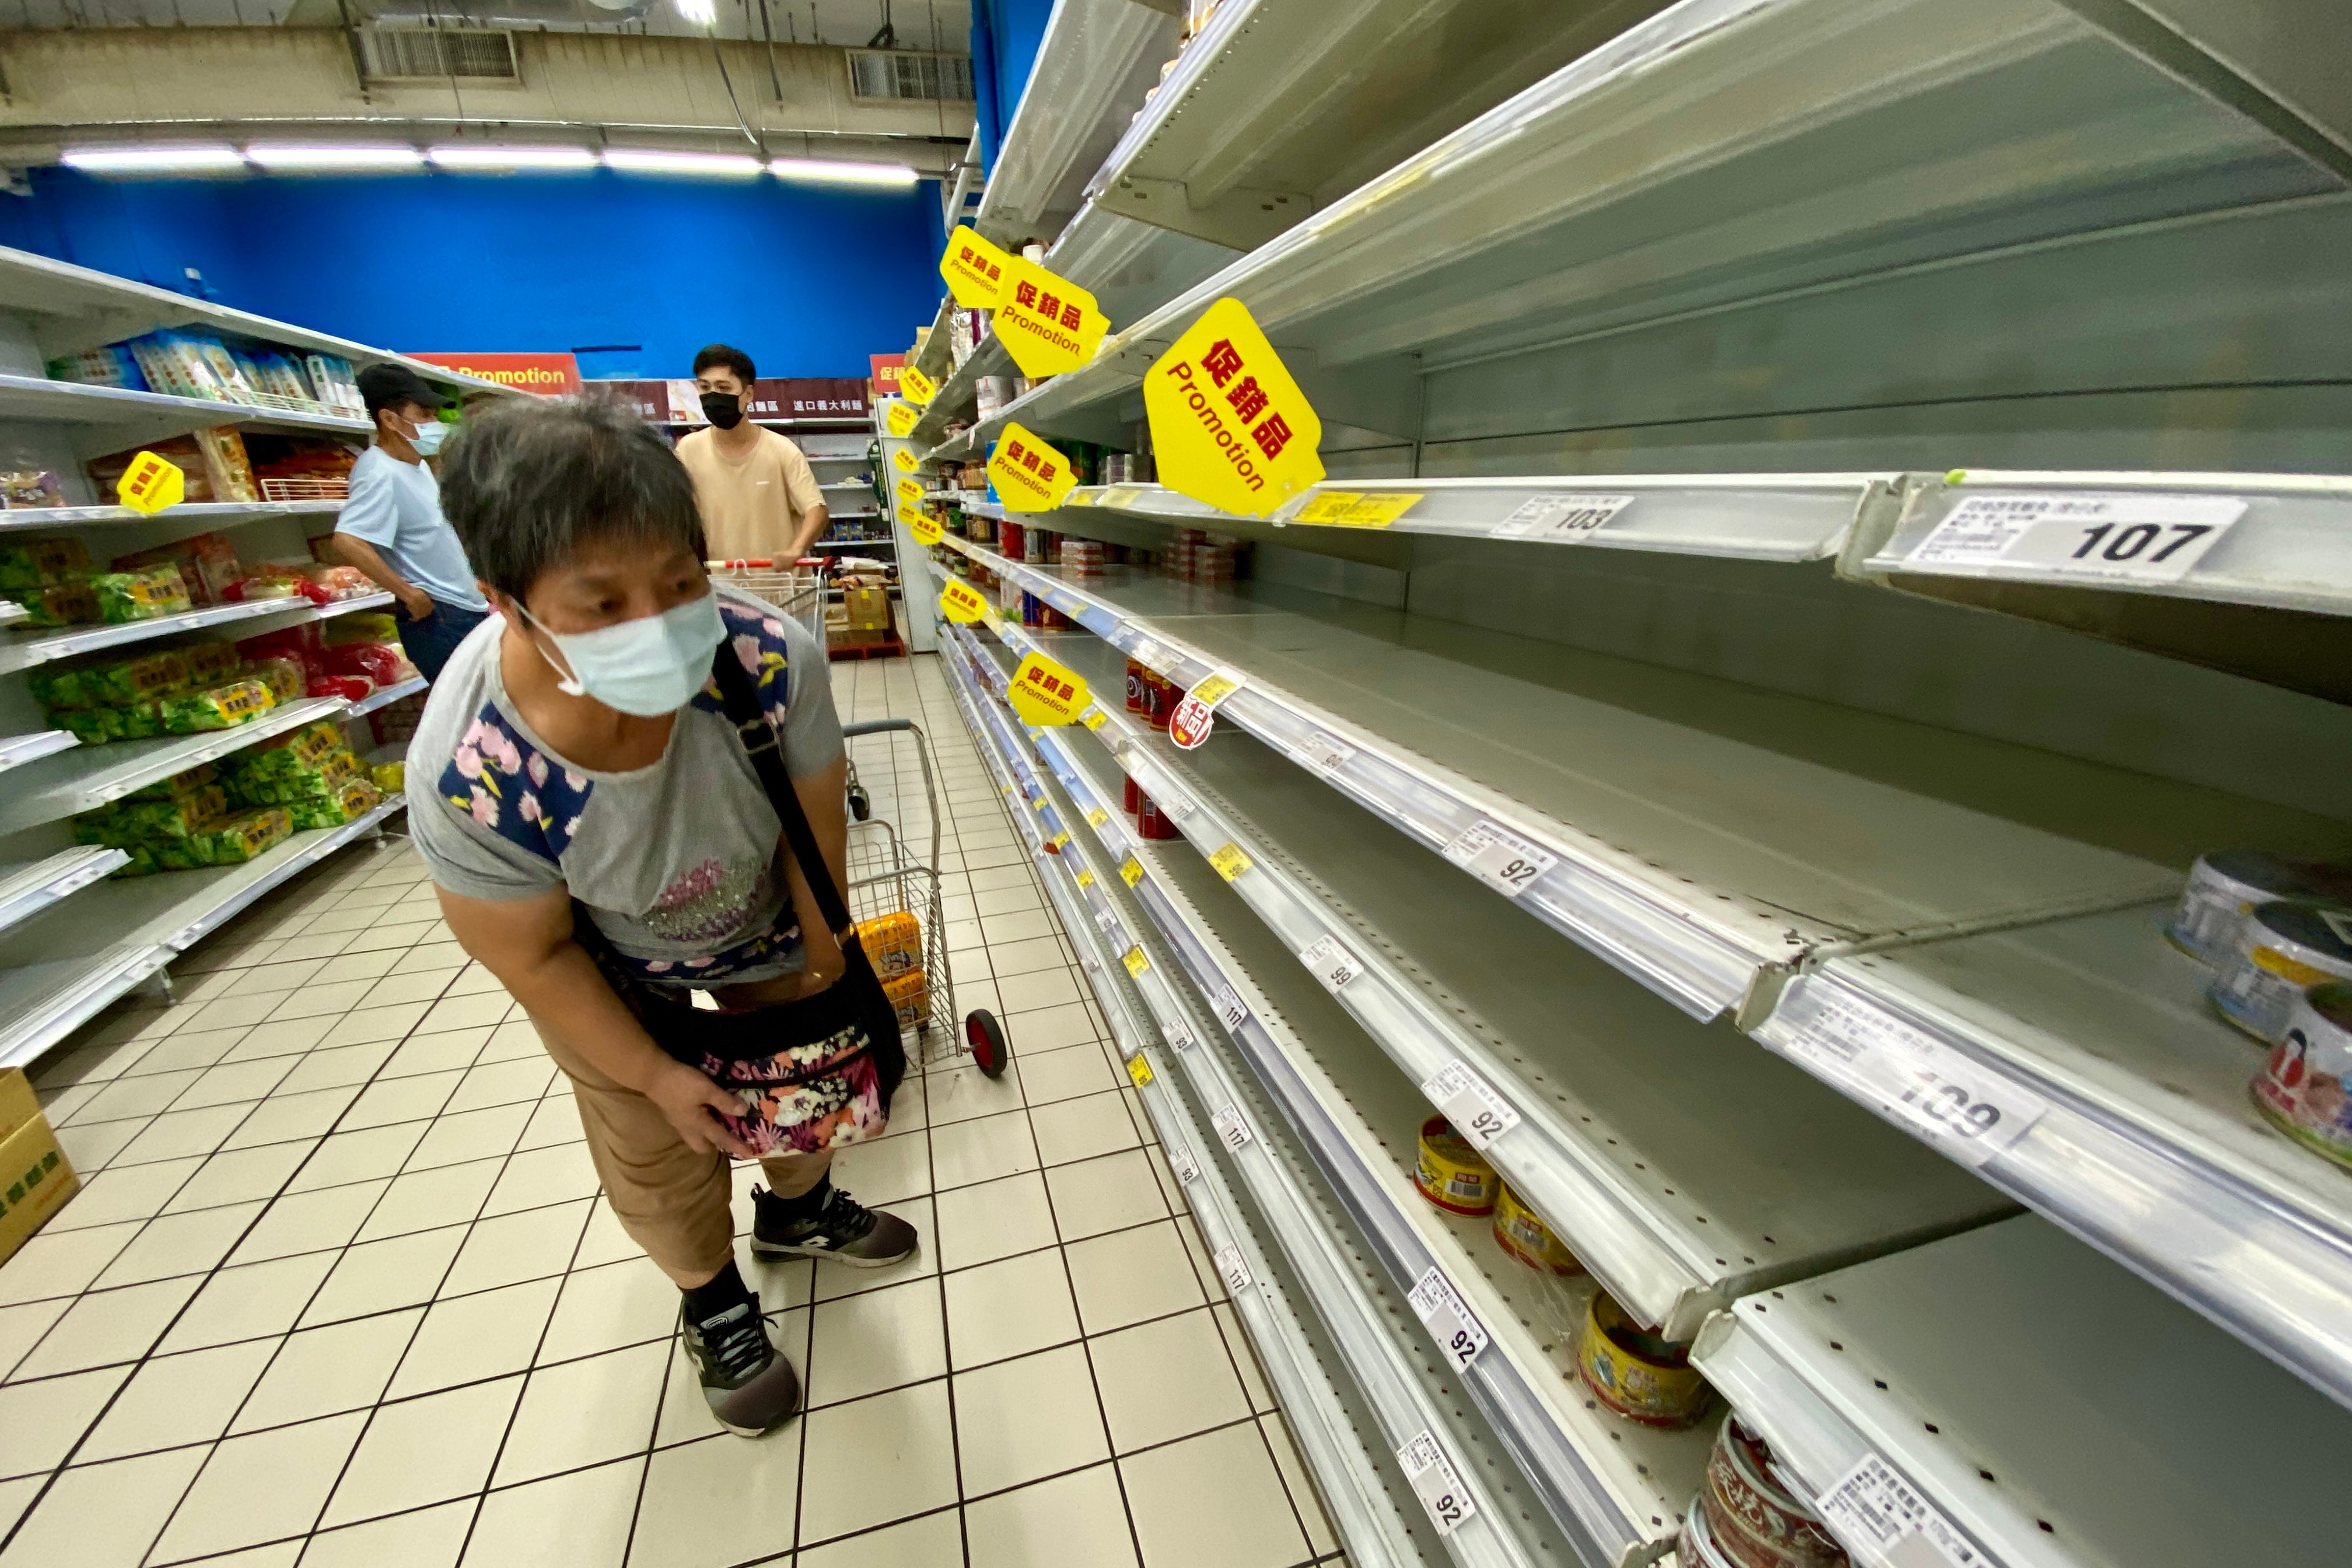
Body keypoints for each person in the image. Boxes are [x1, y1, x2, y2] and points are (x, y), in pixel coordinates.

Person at [407, 397, 914, 1437]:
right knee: (653, 1133)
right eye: (602, 603)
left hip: (762, 910)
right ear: (506, 601)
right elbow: (533, 953)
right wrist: (652, 1070)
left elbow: (815, 828)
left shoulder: (768, 660)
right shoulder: (470, 769)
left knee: (796, 1083)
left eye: (681, 581)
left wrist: (816, 992)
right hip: (603, 961)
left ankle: (796, 1208)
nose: (661, 620)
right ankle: (712, 1296)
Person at [327, 363, 493, 682]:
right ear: (389, 419)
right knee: (469, 719)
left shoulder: (415, 467)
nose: (435, 424)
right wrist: (408, 594)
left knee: (484, 713)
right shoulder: (379, 471)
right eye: (425, 414)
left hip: (461, 608)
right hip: (439, 617)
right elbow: (348, 541)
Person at [673, 343, 829, 563]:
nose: (713, 396)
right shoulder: (688, 451)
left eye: (724, 388)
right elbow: (675, 514)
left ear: (748, 395)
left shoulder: (782, 450)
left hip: (781, 587)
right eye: (705, 388)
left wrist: (796, 550)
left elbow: (817, 510)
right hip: (720, 587)